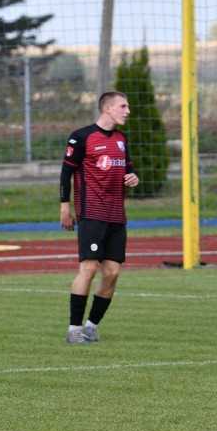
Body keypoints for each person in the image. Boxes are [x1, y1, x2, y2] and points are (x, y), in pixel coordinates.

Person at [60, 90, 140, 344]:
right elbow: (66, 174)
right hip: (91, 212)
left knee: (113, 273)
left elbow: (128, 170)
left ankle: (91, 326)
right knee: (88, 268)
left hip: (117, 214)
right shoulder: (81, 137)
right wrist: (65, 209)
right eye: (123, 106)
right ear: (107, 108)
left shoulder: (121, 139)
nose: (128, 111)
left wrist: (133, 178)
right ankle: (74, 330)